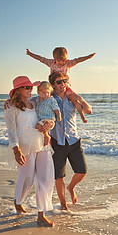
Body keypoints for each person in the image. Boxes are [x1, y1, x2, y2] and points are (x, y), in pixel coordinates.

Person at [4, 76, 55, 227]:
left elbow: (48, 114)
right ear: (18, 90)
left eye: (30, 87)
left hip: (42, 143)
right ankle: (18, 200)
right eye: (26, 87)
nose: (30, 90)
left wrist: (48, 127)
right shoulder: (11, 107)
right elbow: (11, 131)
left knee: (45, 178)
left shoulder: (35, 102)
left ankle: (41, 215)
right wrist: (16, 150)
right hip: (25, 145)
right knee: (27, 178)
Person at [48, 71, 92, 210]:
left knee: (82, 171)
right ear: (53, 85)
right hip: (57, 142)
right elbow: (32, 102)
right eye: (59, 82)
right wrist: (11, 100)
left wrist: (80, 98)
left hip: (73, 140)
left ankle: (71, 187)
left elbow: (88, 111)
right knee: (59, 177)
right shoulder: (49, 99)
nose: (63, 84)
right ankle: (63, 205)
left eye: (65, 80)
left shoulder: (72, 97)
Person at [26, 47, 95, 123]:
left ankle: (82, 116)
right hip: (52, 87)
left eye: (63, 60)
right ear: (54, 59)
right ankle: (46, 119)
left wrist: (88, 57)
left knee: (75, 101)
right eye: (59, 60)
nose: (61, 63)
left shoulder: (68, 64)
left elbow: (78, 60)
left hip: (67, 87)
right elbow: (40, 59)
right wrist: (30, 54)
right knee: (46, 99)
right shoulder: (51, 63)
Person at [36, 81, 62, 146]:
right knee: (40, 127)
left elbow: (57, 109)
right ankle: (46, 137)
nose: (46, 94)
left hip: (49, 119)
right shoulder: (38, 100)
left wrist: (59, 117)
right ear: (38, 92)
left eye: (48, 92)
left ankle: (47, 136)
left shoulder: (51, 100)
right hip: (42, 119)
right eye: (44, 92)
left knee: (38, 126)